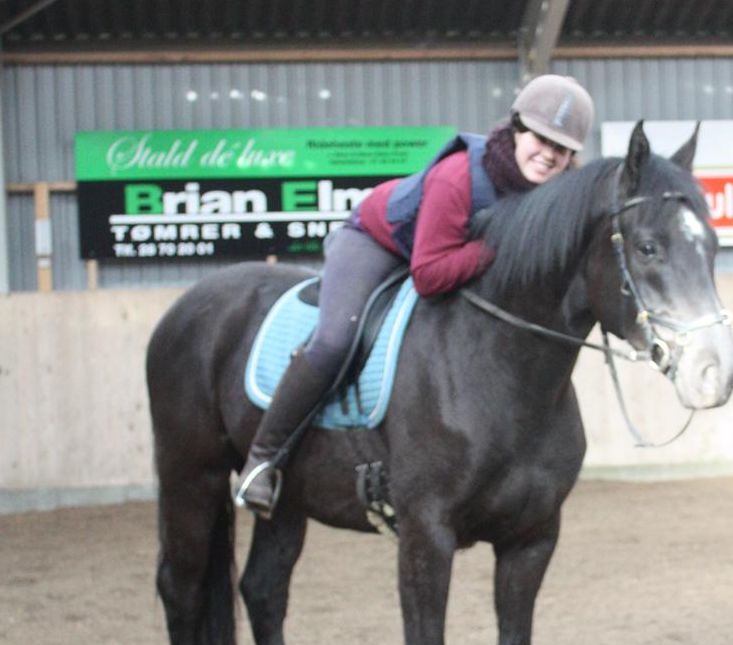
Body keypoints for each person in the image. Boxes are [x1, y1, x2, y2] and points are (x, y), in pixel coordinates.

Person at [235, 73, 595, 516]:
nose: (548, 155)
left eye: (561, 148)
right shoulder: (459, 176)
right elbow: (428, 275)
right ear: (518, 128)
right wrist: (492, 252)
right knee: (336, 338)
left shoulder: (555, 195)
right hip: (379, 242)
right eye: (540, 138)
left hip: (449, 253)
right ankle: (263, 458)